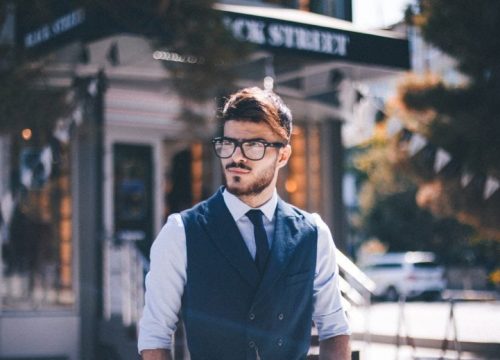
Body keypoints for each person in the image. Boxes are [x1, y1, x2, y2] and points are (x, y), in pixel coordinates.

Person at [138, 87, 351, 360]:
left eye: (253, 146)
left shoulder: (313, 233)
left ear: (283, 155)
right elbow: (155, 336)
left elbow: (334, 330)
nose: (236, 157)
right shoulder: (181, 233)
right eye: (229, 144)